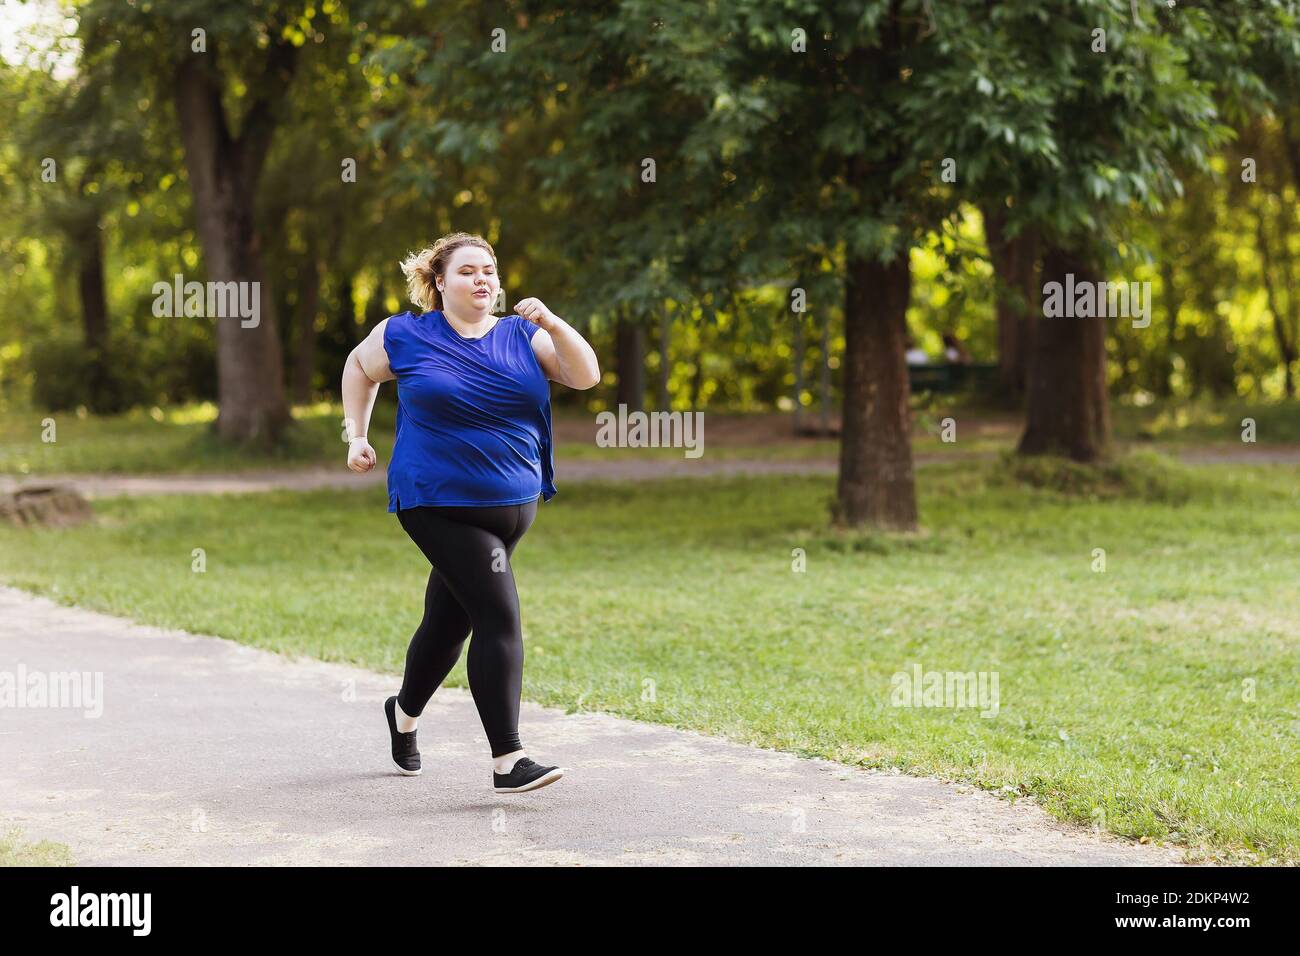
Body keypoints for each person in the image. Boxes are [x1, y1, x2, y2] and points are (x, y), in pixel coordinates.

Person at [340, 232, 600, 793]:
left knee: (448, 621)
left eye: (489, 270)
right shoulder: (405, 334)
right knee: (498, 616)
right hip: (435, 500)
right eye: (467, 271)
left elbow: (585, 376)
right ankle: (509, 759)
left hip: (514, 503)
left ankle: (403, 714)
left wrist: (554, 323)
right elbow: (358, 370)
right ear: (438, 282)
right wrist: (355, 434)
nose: (482, 279)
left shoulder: (522, 336)